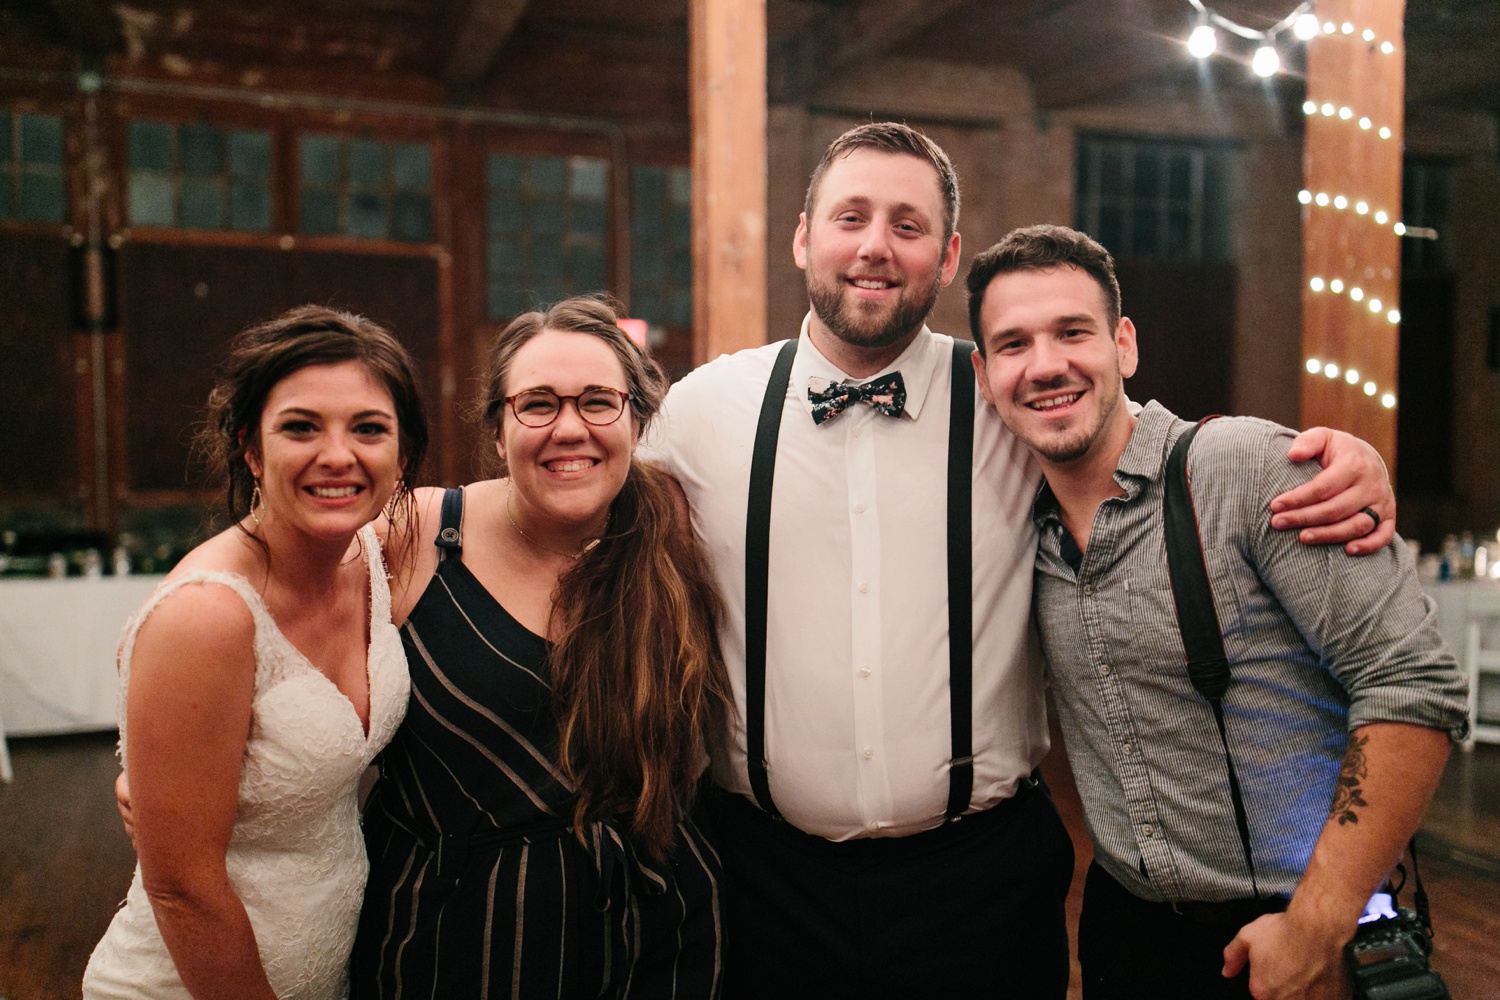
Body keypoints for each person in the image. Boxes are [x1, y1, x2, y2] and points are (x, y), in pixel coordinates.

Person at [640, 122, 1399, 999]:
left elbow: (1142, 442)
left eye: (909, 225)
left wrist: (1340, 458)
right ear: (805, 236)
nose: (876, 247)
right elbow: (589, 530)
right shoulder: (702, 413)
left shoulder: (1009, 395)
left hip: (982, 886)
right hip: (763, 880)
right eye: (851, 217)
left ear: (949, 255)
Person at [964, 224, 1469, 1000]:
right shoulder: (1010, 525)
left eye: (1073, 333)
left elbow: (1411, 683)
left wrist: (1317, 922)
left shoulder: (1244, 468)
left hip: (1296, 929)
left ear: (1123, 345)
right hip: (1124, 930)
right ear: (984, 372)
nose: (1046, 365)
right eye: (1013, 343)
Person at [349, 295, 730, 997]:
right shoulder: (416, 534)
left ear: (636, 421)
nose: (569, 428)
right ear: (498, 430)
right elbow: (286, 638)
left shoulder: (667, 530)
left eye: (597, 402)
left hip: (655, 936)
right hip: (458, 939)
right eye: (538, 404)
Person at [83, 306, 427, 999]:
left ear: (403, 455)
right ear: (250, 448)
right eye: (301, 427)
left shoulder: (373, 547)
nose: (338, 455)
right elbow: (182, 888)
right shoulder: (208, 616)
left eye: (368, 428)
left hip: (327, 970)